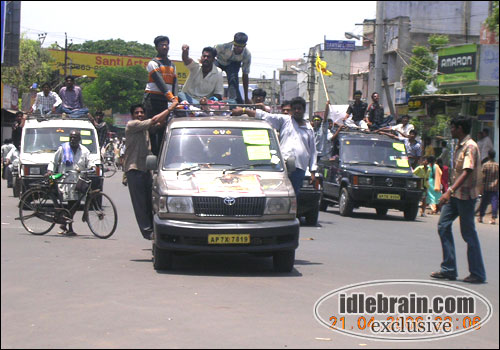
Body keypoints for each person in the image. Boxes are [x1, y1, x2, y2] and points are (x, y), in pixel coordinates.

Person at [431, 116, 486, 284]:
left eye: (453, 127)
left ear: (460, 128)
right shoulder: (459, 146)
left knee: (468, 233)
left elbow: (467, 171)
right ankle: (449, 269)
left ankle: (477, 273)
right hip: (455, 195)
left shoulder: (470, 147)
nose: (451, 130)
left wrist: (449, 191)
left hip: (466, 196)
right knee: (443, 225)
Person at [231, 97, 317, 197]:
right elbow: (264, 115)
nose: (297, 111)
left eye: (299, 108)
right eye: (295, 109)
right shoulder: (285, 120)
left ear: (303, 110)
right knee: (279, 193)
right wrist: (243, 110)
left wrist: (312, 171)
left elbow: (313, 151)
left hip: (300, 167)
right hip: (283, 165)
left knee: (294, 195)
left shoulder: (309, 128)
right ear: (292, 110)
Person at [123, 100, 179, 240]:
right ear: (132, 116)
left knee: (151, 202)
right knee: (140, 204)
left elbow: (158, 125)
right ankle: (148, 232)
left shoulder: (144, 129)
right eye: (137, 113)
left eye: (142, 112)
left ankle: (154, 229)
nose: (140, 115)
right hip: (134, 169)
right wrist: (171, 108)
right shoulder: (132, 125)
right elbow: (154, 120)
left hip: (146, 170)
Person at [46, 130, 93, 236]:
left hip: (78, 181)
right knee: (70, 203)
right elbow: (53, 161)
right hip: (65, 180)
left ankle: (66, 224)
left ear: (79, 139)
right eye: (71, 137)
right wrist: (50, 170)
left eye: (75, 137)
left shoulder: (84, 150)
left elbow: (90, 161)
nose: (72, 139)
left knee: (75, 204)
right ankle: (68, 226)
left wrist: (92, 167)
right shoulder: (63, 149)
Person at [144, 35, 178, 156]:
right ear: (156, 47)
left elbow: (175, 84)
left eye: (166, 44)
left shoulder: (172, 65)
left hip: (165, 100)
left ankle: (162, 158)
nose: (164, 47)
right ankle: (153, 158)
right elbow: (160, 83)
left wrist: (176, 98)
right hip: (153, 99)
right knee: (153, 129)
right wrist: (172, 98)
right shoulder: (153, 63)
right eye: (161, 45)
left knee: (164, 130)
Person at [215, 32, 252, 104]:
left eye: (240, 47)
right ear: (233, 43)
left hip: (232, 65)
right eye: (236, 46)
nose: (237, 48)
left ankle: (234, 100)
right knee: (213, 72)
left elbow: (245, 75)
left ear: (244, 45)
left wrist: (246, 97)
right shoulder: (223, 47)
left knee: (233, 79)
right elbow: (210, 53)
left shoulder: (246, 54)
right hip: (219, 62)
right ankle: (213, 94)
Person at [478, 150, 498, 225]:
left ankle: (480, 217)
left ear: (488, 156)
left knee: (484, 203)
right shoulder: (497, 165)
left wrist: (481, 187)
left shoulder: (485, 165)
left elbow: (482, 177)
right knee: (494, 203)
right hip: (495, 188)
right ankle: (493, 218)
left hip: (486, 187)